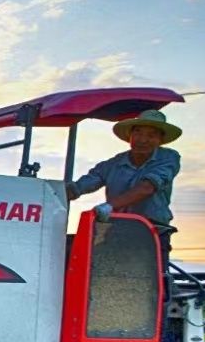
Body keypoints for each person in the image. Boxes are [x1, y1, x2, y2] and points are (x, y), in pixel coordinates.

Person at [67, 108, 182, 263]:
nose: (143, 140)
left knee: (153, 280)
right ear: (130, 136)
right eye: (138, 133)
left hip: (152, 232)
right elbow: (82, 185)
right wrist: (60, 191)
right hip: (115, 231)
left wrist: (109, 206)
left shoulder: (168, 157)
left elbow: (147, 187)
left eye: (151, 135)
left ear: (160, 140)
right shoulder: (113, 164)